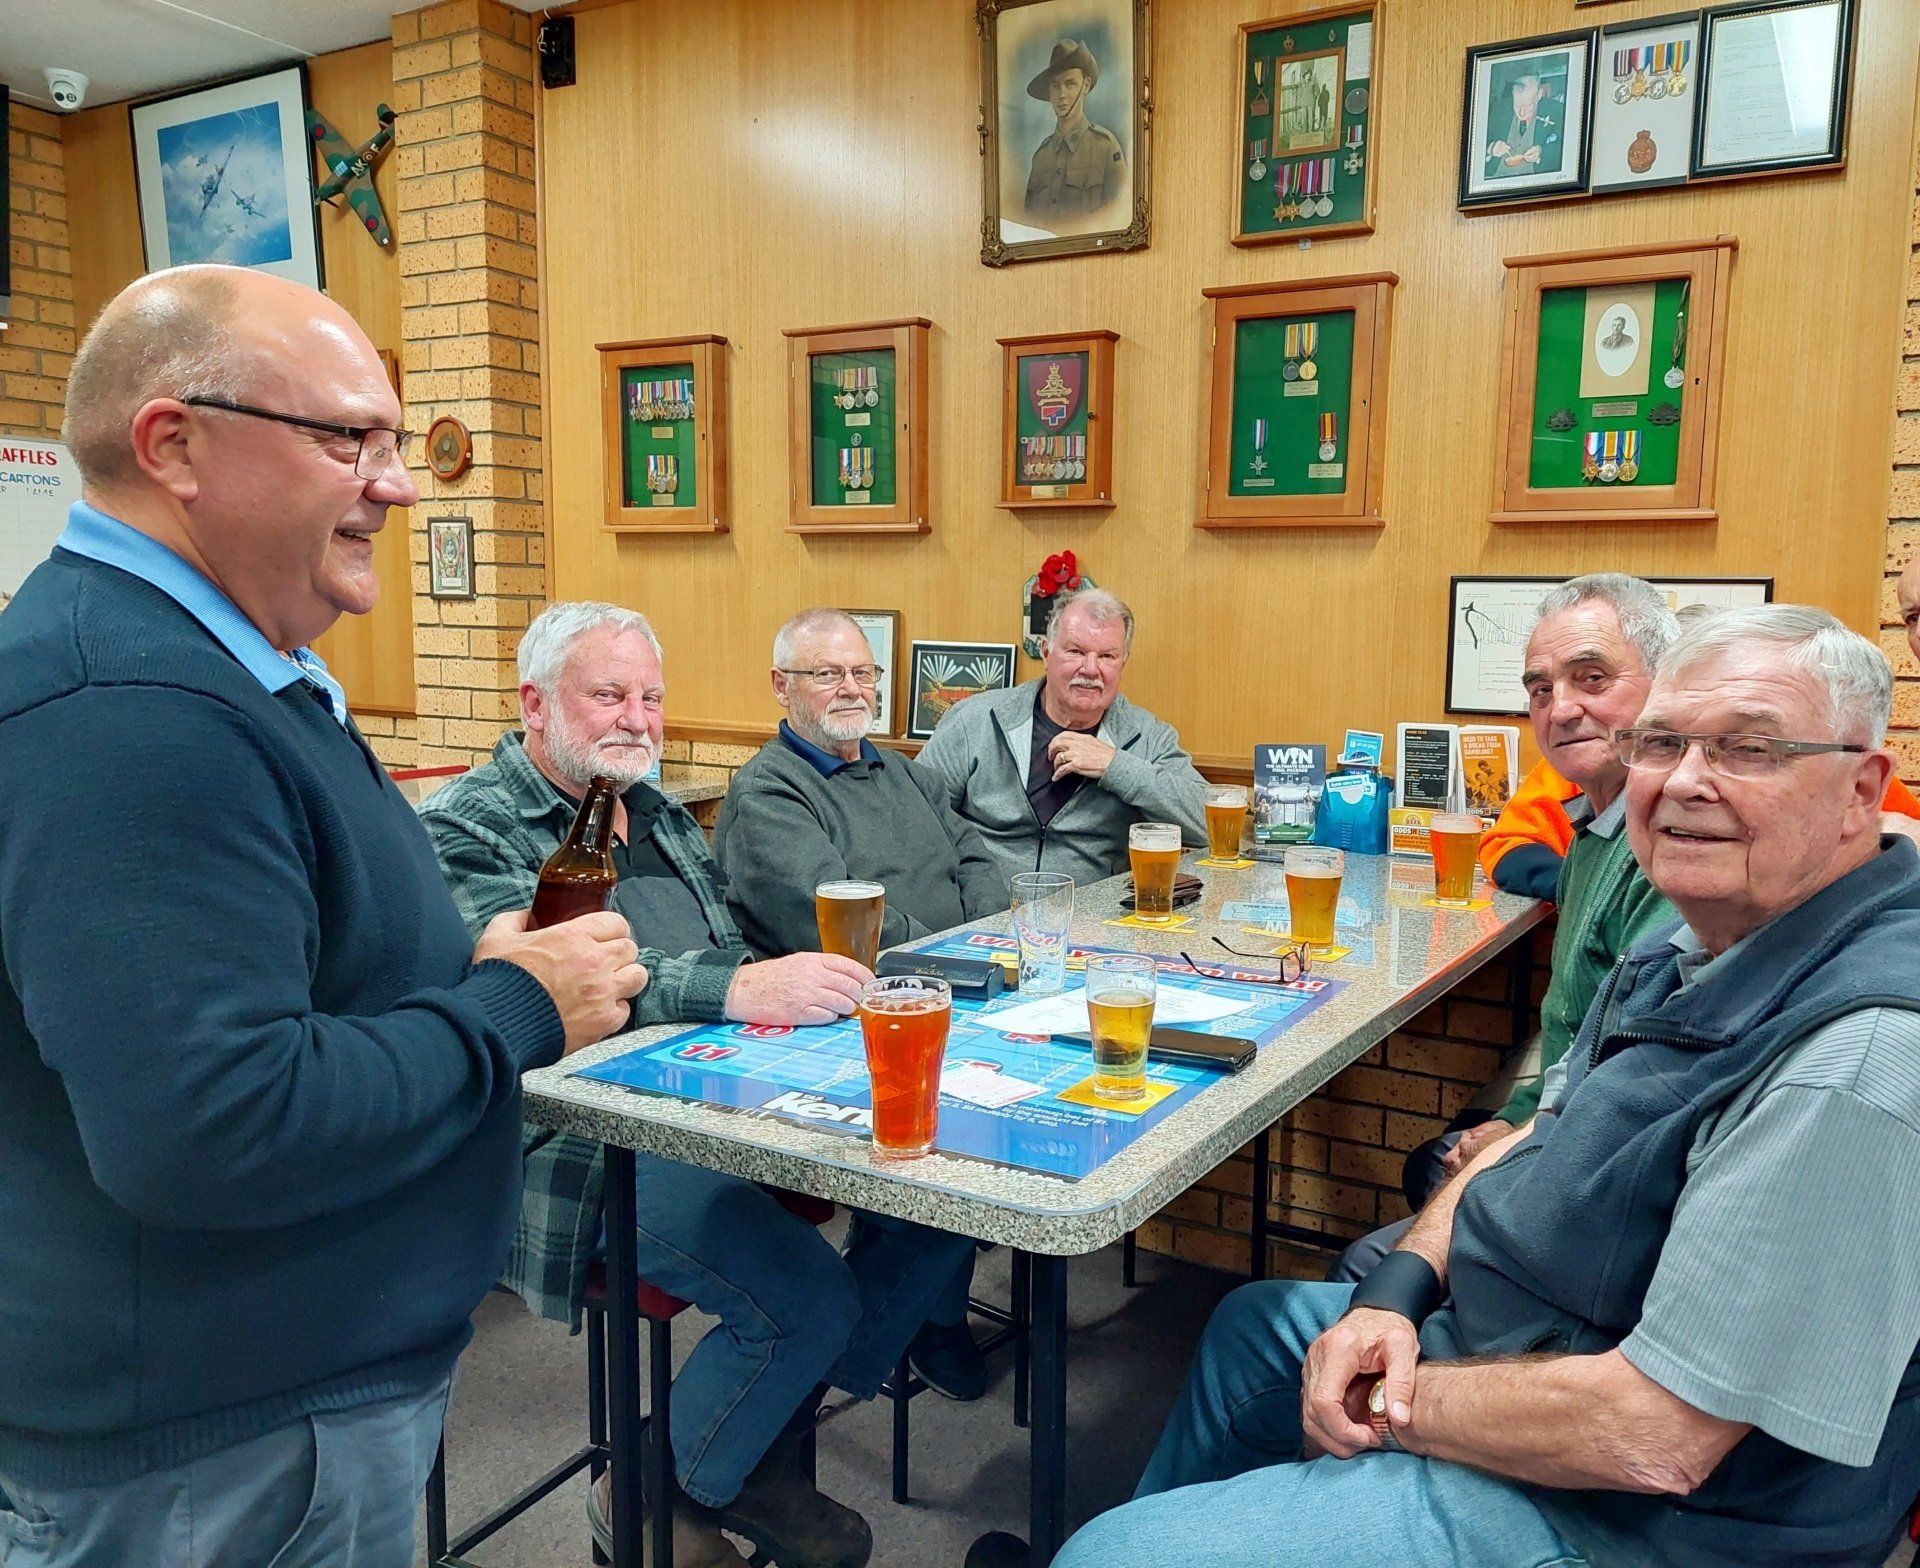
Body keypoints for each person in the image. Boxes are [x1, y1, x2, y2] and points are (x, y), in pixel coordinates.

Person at [1047, 603, 1920, 1568]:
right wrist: (1395, 1291)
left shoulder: (1859, 1062)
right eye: (1664, 743)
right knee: (1251, 1329)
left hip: (1642, 1516)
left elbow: (1658, 1434)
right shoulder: (1690, 942)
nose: (1684, 781)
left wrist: (1390, 1399)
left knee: (1107, 1555)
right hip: (1528, 1334)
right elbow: (1537, 1132)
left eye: (1749, 748)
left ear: (1860, 791)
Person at [0, 267, 644, 1567]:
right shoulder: (131, 712)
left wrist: (458, 963)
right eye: (348, 439)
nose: (396, 485)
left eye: (391, 442)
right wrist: (517, 1005)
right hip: (220, 1450)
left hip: (280, 1411)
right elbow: (210, 1124)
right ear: (174, 444)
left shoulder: (226, 666)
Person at [422, 601, 980, 1568]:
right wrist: (738, 987)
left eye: (651, 697)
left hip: (716, 1095)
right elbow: (555, 993)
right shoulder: (468, 828)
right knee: (809, 1298)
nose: (636, 718)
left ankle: (750, 1446)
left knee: (942, 1193)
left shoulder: (662, 812)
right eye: (609, 695)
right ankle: (654, 1490)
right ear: (535, 704)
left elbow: (731, 953)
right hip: (572, 1141)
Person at [1333, 574, 1679, 1278]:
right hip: (1567, 1132)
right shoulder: (1591, 831)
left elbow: (1632, 1084)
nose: (1562, 708)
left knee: (1366, 1266)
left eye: (1592, 679)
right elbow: (1574, 1037)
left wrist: (1515, 1134)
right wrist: (1511, 1119)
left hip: (1603, 1188)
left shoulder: (1671, 848)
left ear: (1666, 685)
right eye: (1541, 690)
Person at [714, 607, 1002, 1399]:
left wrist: (984, 941)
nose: (851, 688)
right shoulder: (769, 792)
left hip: (955, 990)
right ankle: (857, 1343)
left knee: (1013, 1127)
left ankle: (912, 1308)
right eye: (827, 673)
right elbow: (842, 925)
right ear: (782, 686)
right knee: (961, 1142)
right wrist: (954, 960)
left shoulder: (902, 771)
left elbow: (976, 854)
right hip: (841, 1024)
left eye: (862, 672)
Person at [916, 587, 1208, 886]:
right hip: (981, 905)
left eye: (1107, 656)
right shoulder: (974, 720)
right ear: (1046, 653)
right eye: (1076, 652)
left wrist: (1115, 766)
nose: (1091, 669)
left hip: (1091, 911)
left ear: (1123, 662)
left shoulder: (1148, 737)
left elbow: (1207, 824)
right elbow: (913, 814)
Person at [1022, 40, 1126, 226]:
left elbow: (1120, 216)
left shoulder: (1105, 147)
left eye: (1070, 84)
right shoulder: (1041, 157)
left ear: (1085, 85)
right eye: (1055, 86)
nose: (1062, 94)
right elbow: (1028, 225)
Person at [1486, 73, 1558, 177]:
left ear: (1539, 94)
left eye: (1528, 106)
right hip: (1495, 179)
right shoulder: (1498, 108)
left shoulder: (1556, 110)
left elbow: (1565, 147)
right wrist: (1490, 148)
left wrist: (1541, 151)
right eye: (1517, 106)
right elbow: (1475, 141)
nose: (1521, 113)